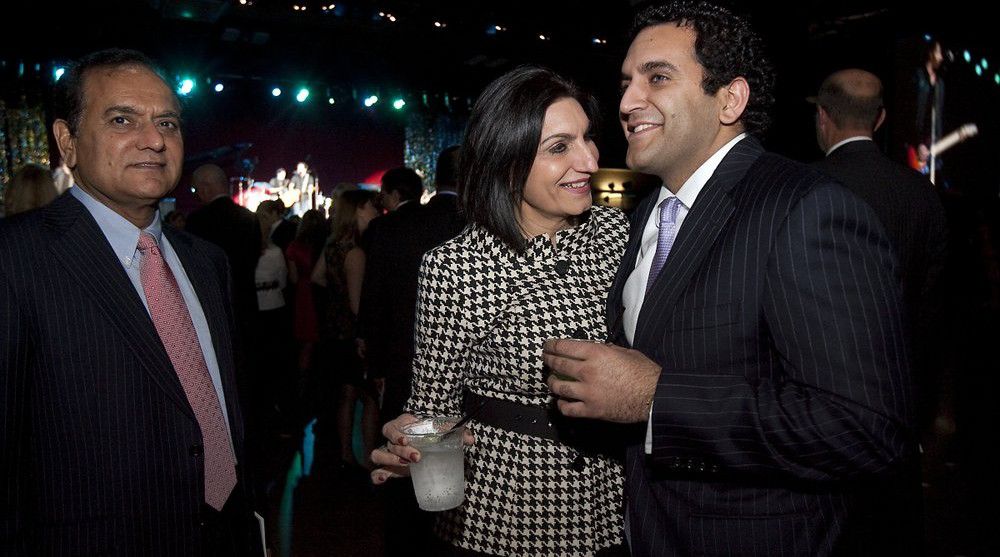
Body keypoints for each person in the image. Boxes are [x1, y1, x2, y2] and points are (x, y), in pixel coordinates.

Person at [542, 3, 913, 556]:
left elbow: (861, 429)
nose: (625, 103)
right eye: (625, 82)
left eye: (657, 78)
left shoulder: (804, 209)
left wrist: (654, 398)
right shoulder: (646, 216)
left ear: (730, 100)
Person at [0, 48, 260, 554]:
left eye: (168, 122)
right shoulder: (16, 259)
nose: (155, 140)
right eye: (123, 119)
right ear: (67, 142)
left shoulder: (207, 261)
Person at [371, 65, 630, 556]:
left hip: (614, 498)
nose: (591, 161)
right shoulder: (455, 267)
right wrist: (411, 445)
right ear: (507, 162)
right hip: (506, 511)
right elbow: (434, 407)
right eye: (559, 147)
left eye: (587, 139)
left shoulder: (617, 235)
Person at [310, 189, 381, 470]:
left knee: (346, 394)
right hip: (352, 336)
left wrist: (335, 298)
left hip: (333, 332)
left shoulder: (333, 245)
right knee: (368, 397)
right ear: (359, 210)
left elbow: (316, 277)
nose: (376, 211)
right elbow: (356, 305)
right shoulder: (355, 252)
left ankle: (345, 454)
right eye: (371, 207)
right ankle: (367, 458)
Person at [186, 163, 261, 328]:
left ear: (205, 187)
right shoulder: (250, 218)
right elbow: (254, 256)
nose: (196, 195)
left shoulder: (197, 221)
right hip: (246, 300)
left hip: (213, 304)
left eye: (195, 190)